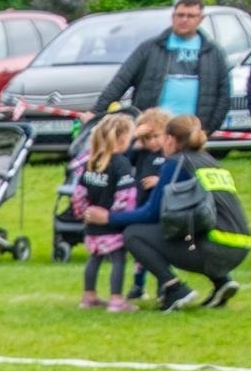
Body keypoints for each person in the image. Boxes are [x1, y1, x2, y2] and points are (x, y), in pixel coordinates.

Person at [89, 113, 249, 311]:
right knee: (181, 226)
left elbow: (151, 214)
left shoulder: (176, 163)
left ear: (170, 139)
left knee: (133, 234)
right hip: (241, 246)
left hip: (215, 248)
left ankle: (174, 288)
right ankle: (222, 281)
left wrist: (108, 217)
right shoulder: (210, 161)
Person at [92, 0, 232, 137]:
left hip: (192, 131)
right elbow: (121, 81)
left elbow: (224, 94)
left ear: (201, 19)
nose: (184, 20)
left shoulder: (213, 53)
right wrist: (96, 112)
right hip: (153, 130)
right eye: (180, 15)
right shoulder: (150, 48)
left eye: (190, 16)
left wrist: (209, 127)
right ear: (173, 16)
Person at [74, 114, 138, 312]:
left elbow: (79, 192)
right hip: (110, 224)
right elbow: (126, 196)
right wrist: (119, 218)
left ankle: (88, 296)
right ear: (123, 139)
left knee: (94, 257)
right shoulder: (121, 163)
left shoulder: (91, 161)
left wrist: (83, 212)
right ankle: (116, 299)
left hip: (91, 223)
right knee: (118, 259)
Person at [124, 107, 171, 302]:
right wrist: (134, 137)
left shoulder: (169, 154)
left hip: (163, 209)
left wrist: (159, 181)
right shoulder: (141, 152)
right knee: (141, 251)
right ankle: (138, 286)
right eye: (147, 138)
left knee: (161, 250)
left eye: (156, 136)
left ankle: (164, 286)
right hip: (141, 206)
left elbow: (178, 177)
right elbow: (123, 159)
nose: (152, 142)